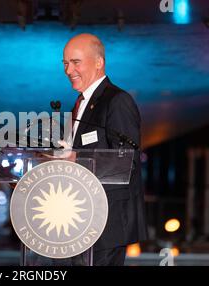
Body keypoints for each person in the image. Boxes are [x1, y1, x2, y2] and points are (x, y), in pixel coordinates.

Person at [62, 33, 147, 266]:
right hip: (80, 218)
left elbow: (126, 161)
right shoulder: (79, 105)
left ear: (99, 62)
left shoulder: (117, 101)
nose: (69, 70)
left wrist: (76, 159)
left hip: (106, 222)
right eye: (65, 63)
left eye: (76, 62)